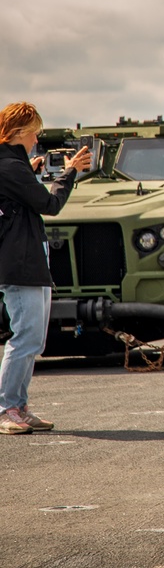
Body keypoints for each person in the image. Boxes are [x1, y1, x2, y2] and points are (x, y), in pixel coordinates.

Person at [0, 102, 91, 434]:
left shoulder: (13, 166)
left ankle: (18, 407)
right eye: (35, 131)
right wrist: (70, 172)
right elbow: (49, 204)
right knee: (25, 336)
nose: (37, 138)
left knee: (34, 338)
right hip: (20, 261)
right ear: (21, 132)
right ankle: (6, 408)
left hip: (27, 260)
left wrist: (32, 172)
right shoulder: (9, 166)